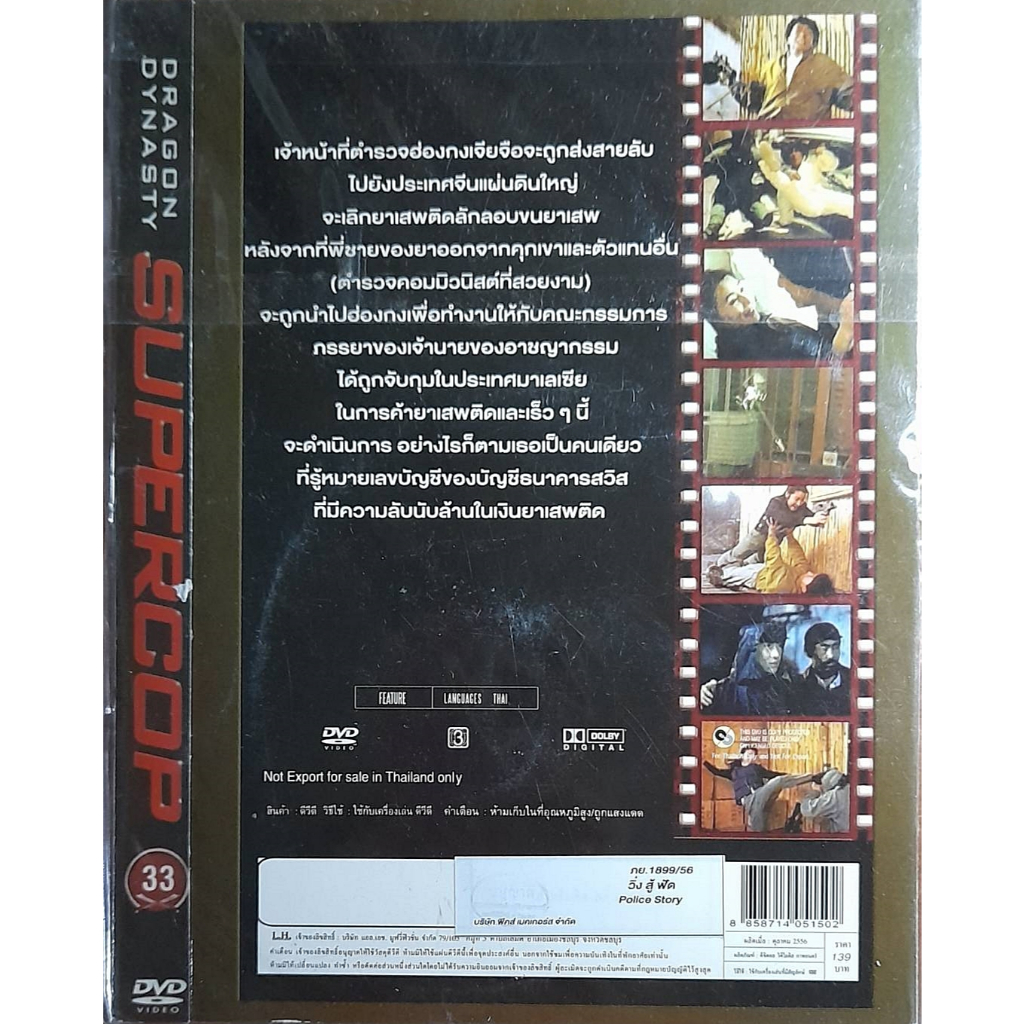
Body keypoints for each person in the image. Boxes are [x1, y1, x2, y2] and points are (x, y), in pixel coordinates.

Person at [702, 252, 854, 360]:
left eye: (741, 289)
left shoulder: (762, 324)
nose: (746, 300)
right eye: (733, 300)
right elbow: (831, 367)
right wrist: (845, 331)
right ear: (717, 317)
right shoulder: (747, 352)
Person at [757, 17, 854, 121]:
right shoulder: (770, 66)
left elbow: (849, 92)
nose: (802, 36)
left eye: (808, 34)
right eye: (798, 32)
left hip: (807, 129)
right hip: (767, 128)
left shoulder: (824, 65)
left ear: (814, 43)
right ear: (788, 39)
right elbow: (755, 97)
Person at [703, 746, 819, 832]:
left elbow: (772, 774)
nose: (752, 757)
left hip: (761, 795)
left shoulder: (756, 768)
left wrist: (787, 775)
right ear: (742, 755)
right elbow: (717, 772)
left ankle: (813, 777)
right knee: (760, 829)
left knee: (778, 781)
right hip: (749, 800)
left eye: (754, 755)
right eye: (749, 754)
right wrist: (703, 761)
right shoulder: (734, 771)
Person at [708, 518, 835, 595]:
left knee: (732, 574)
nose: (810, 572)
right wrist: (790, 537)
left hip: (756, 577)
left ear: (804, 589)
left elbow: (773, 558)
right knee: (741, 563)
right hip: (766, 569)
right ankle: (725, 565)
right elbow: (799, 557)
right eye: (814, 573)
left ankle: (719, 576)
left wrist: (771, 535)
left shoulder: (784, 585)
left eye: (811, 577)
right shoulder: (802, 575)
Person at [700, 621, 800, 716]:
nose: (776, 654)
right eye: (768, 646)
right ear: (752, 649)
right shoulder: (722, 691)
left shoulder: (787, 689)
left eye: (779, 646)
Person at [716, 485, 828, 568]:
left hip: (774, 540)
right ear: (787, 495)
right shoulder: (776, 502)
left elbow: (810, 516)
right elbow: (782, 518)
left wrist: (819, 515)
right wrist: (807, 520)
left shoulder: (801, 508)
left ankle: (740, 569)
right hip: (759, 536)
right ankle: (718, 566)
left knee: (760, 559)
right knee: (738, 553)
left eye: (802, 500)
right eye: (797, 499)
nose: (799, 503)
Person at [790, 621, 851, 716]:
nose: (831, 655)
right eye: (824, 648)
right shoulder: (796, 688)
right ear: (809, 651)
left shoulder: (853, 680)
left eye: (835, 647)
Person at [798, 767, 850, 832]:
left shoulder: (835, 796)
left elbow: (807, 809)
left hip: (841, 835)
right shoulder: (849, 788)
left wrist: (815, 792)